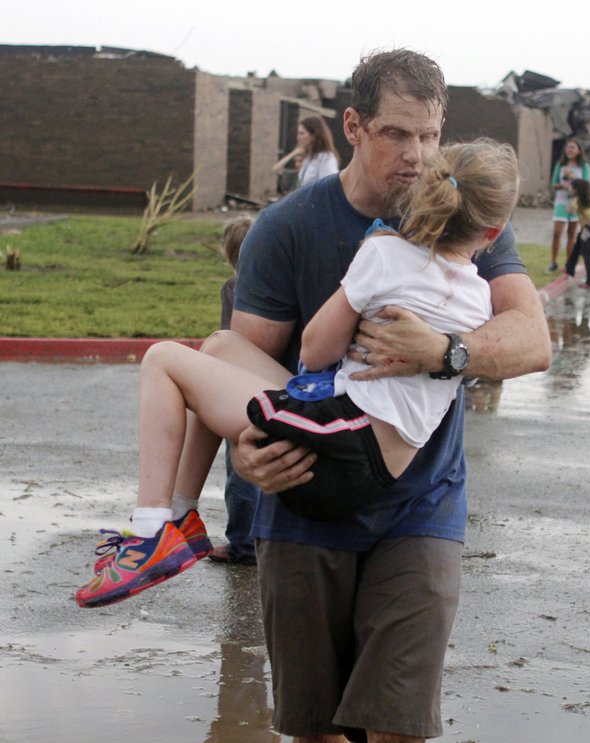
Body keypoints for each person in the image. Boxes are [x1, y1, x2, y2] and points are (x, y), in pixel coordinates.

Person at [225, 50, 549, 743]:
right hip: (304, 499)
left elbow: (533, 339)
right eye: (399, 134)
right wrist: (244, 455)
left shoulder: (464, 214)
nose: (419, 155)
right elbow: (246, 362)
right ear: (354, 125)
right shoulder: (287, 228)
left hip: (420, 504)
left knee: (398, 728)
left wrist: (447, 352)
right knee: (316, 730)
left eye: (430, 135)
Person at [75, 139, 518, 606]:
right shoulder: (481, 301)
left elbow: (314, 352)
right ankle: (181, 516)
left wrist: (364, 277)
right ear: (493, 233)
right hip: (380, 459)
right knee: (220, 346)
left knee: (163, 358)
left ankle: (148, 530)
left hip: (341, 452)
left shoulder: (385, 254)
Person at [213, 217, 261, 565]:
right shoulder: (275, 285)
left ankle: (242, 543)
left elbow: (226, 338)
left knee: (240, 469)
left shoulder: (233, 287)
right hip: (273, 383)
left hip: (239, 387)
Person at [548, 139, 590, 272]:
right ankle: (553, 262)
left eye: (573, 147)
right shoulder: (560, 165)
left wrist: (571, 178)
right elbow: (552, 185)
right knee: (557, 233)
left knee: (572, 233)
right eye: (568, 147)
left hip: (576, 204)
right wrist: (562, 185)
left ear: (579, 150)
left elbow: (586, 185)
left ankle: (568, 264)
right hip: (561, 202)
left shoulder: (584, 166)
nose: (569, 150)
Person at [273, 115, 341, 189]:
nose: (298, 138)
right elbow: (276, 169)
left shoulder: (325, 158)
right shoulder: (308, 158)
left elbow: (331, 187)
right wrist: (295, 152)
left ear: (314, 135)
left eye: (302, 134)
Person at [563, 178, 590, 288]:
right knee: (576, 249)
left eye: (572, 187)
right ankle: (569, 268)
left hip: (587, 231)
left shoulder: (577, 200)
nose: (570, 189)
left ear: (576, 189)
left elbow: (571, 211)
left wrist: (567, 207)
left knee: (586, 255)